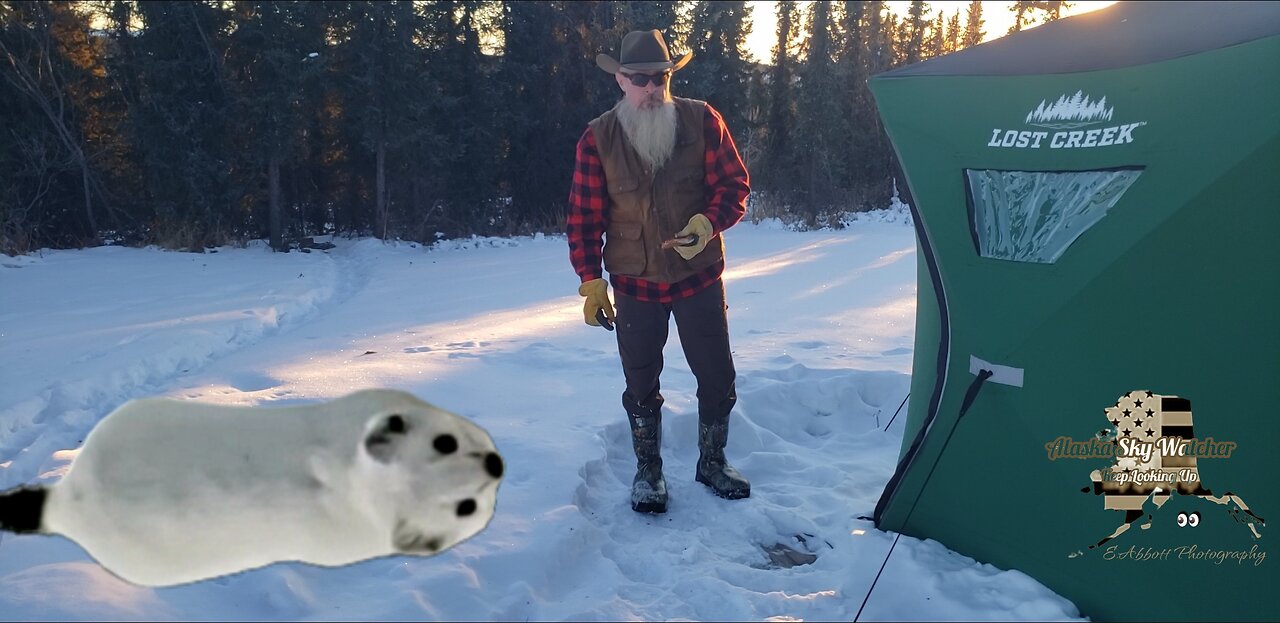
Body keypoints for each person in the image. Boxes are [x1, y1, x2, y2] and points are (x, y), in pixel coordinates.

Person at [566, 29, 751, 514]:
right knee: (641, 381)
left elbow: (734, 187)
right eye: (640, 78)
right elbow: (583, 220)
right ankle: (648, 470)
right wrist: (590, 281)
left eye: (660, 77)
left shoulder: (702, 121)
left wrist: (709, 222)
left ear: (670, 77)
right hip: (634, 285)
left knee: (716, 375)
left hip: (700, 279)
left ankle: (713, 461)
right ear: (620, 81)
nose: (651, 88)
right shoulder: (597, 139)